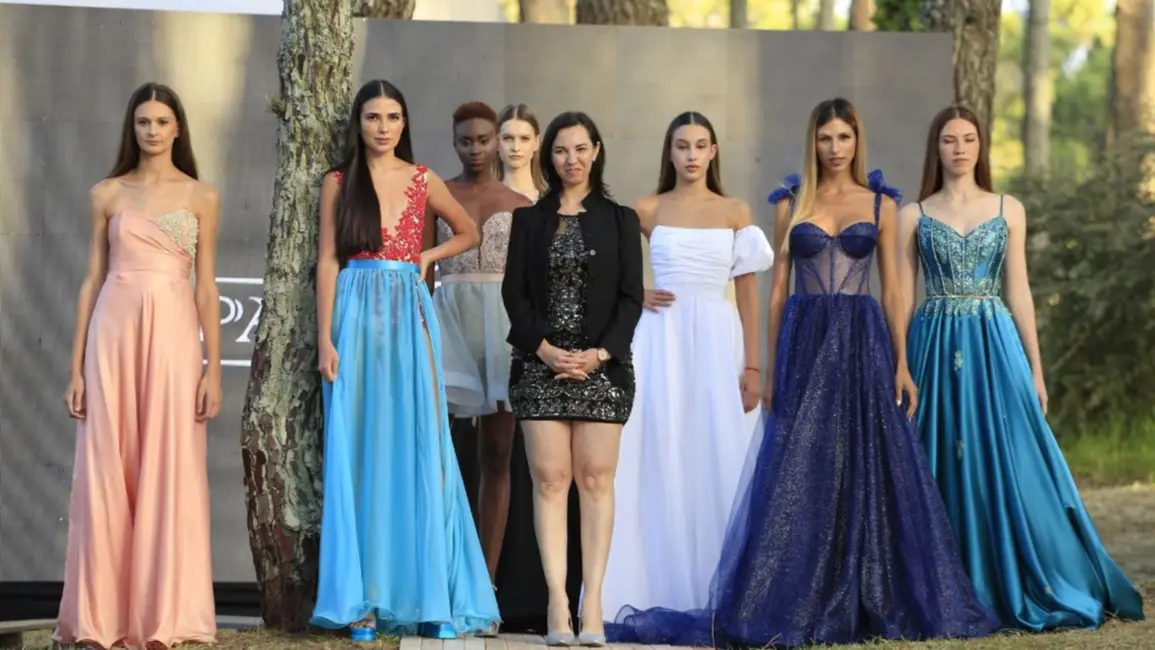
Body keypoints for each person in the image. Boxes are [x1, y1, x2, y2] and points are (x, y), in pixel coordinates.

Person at [608, 98, 999, 647]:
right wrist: (766, 366)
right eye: (825, 138)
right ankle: (799, 593)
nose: (835, 148)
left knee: (870, 460)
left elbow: (893, 290)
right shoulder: (790, 203)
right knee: (799, 465)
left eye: (844, 138)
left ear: (857, 141)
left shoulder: (882, 204)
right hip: (806, 337)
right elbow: (776, 292)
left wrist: (902, 362)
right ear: (812, 142)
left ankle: (868, 589)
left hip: (862, 339)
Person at [899, 105, 1146, 631]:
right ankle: (943, 583)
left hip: (995, 341)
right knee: (937, 451)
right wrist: (898, 362)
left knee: (1008, 451)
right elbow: (899, 299)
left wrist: (1036, 368)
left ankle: (1019, 574)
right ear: (935, 147)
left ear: (981, 146)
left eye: (969, 138)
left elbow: (1020, 292)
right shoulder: (912, 215)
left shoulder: (1008, 208)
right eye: (949, 139)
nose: (960, 148)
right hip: (933, 342)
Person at [310, 79, 498, 642]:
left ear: (404, 123)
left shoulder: (422, 179)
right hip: (353, 315)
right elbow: (327, 260)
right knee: (361, 452)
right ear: (358, 122)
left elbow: (469, 232)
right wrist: (325, 339)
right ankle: (362, 602)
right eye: (373, 117)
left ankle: (432, 597)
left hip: (409, 315)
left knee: (422, 446)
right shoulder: (338, 182)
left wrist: (426, 256)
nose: (383, 127)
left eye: (393, 117)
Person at [56, 81, 221, 650]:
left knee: (168, 465)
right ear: (133, 128)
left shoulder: (202, 196)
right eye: (143, 122)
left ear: (178, 128)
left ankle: (163, 615)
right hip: (113, 336)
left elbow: (206, 288)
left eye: (161, 121)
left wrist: (213, 368)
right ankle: (99, 619)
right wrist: (75, 367)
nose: (152, 131)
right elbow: (91, 280)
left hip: (174, 338)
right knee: (107, 467)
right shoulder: (107, 193)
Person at [601, 111, 772, 619]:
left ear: (713, 151)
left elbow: (748, 295)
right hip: (662, 341)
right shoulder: (646, 209)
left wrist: (754, 368)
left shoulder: (735, 212)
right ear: (670, 152)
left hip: (718, 341)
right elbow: (606, 271)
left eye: (700, 145)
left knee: (718, 452)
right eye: (682, 145)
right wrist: (636, 293)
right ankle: (649, 585)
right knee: (658, 448)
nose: (692, 155)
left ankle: (720, 591)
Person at [502, 110, 644, 646]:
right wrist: (544, 349)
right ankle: (557, 602)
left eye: (581, 149)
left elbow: (631, 298)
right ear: (549, 156)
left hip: (602, 369)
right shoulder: (528, 220)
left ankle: (593, 603)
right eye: (562, 150)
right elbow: (514, 294)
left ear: (597, 151)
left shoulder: (621, 220)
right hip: (540, 365)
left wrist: (599, 354)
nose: (572, 159)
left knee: (596, 480)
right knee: (550, 479)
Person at [432, 101, 532, 603]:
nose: (476, 149)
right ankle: (438, 578)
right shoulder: (436, 194)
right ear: (454, 142)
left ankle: (484, 588)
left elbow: (529, 283)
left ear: (497, 141)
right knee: (438, 454)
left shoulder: (520, 203)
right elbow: (422, 268)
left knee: (497, 454)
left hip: (502, 331)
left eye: (484, 140)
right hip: (447, 325)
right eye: (466, 140)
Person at [495, 103, 547, 202]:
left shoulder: (554, 201)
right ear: (497, 142)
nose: (516, 148)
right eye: (508, 138)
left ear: (536, 143)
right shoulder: (482, 200)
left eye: (524, 139)